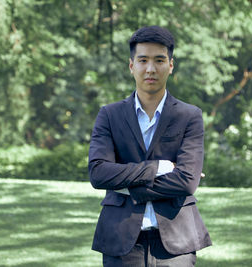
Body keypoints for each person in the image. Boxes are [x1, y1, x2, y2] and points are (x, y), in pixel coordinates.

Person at [88, 25, 212, 267]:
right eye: (143, 60)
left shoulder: (189, 116)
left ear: (171, 65)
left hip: (177, 243)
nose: (151, 68)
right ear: (131, 65)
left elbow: (187, 181)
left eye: (159, 60)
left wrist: (126, 186)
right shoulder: (109, 115)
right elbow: (99, 173)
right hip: (121, 240)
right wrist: (160, 167)